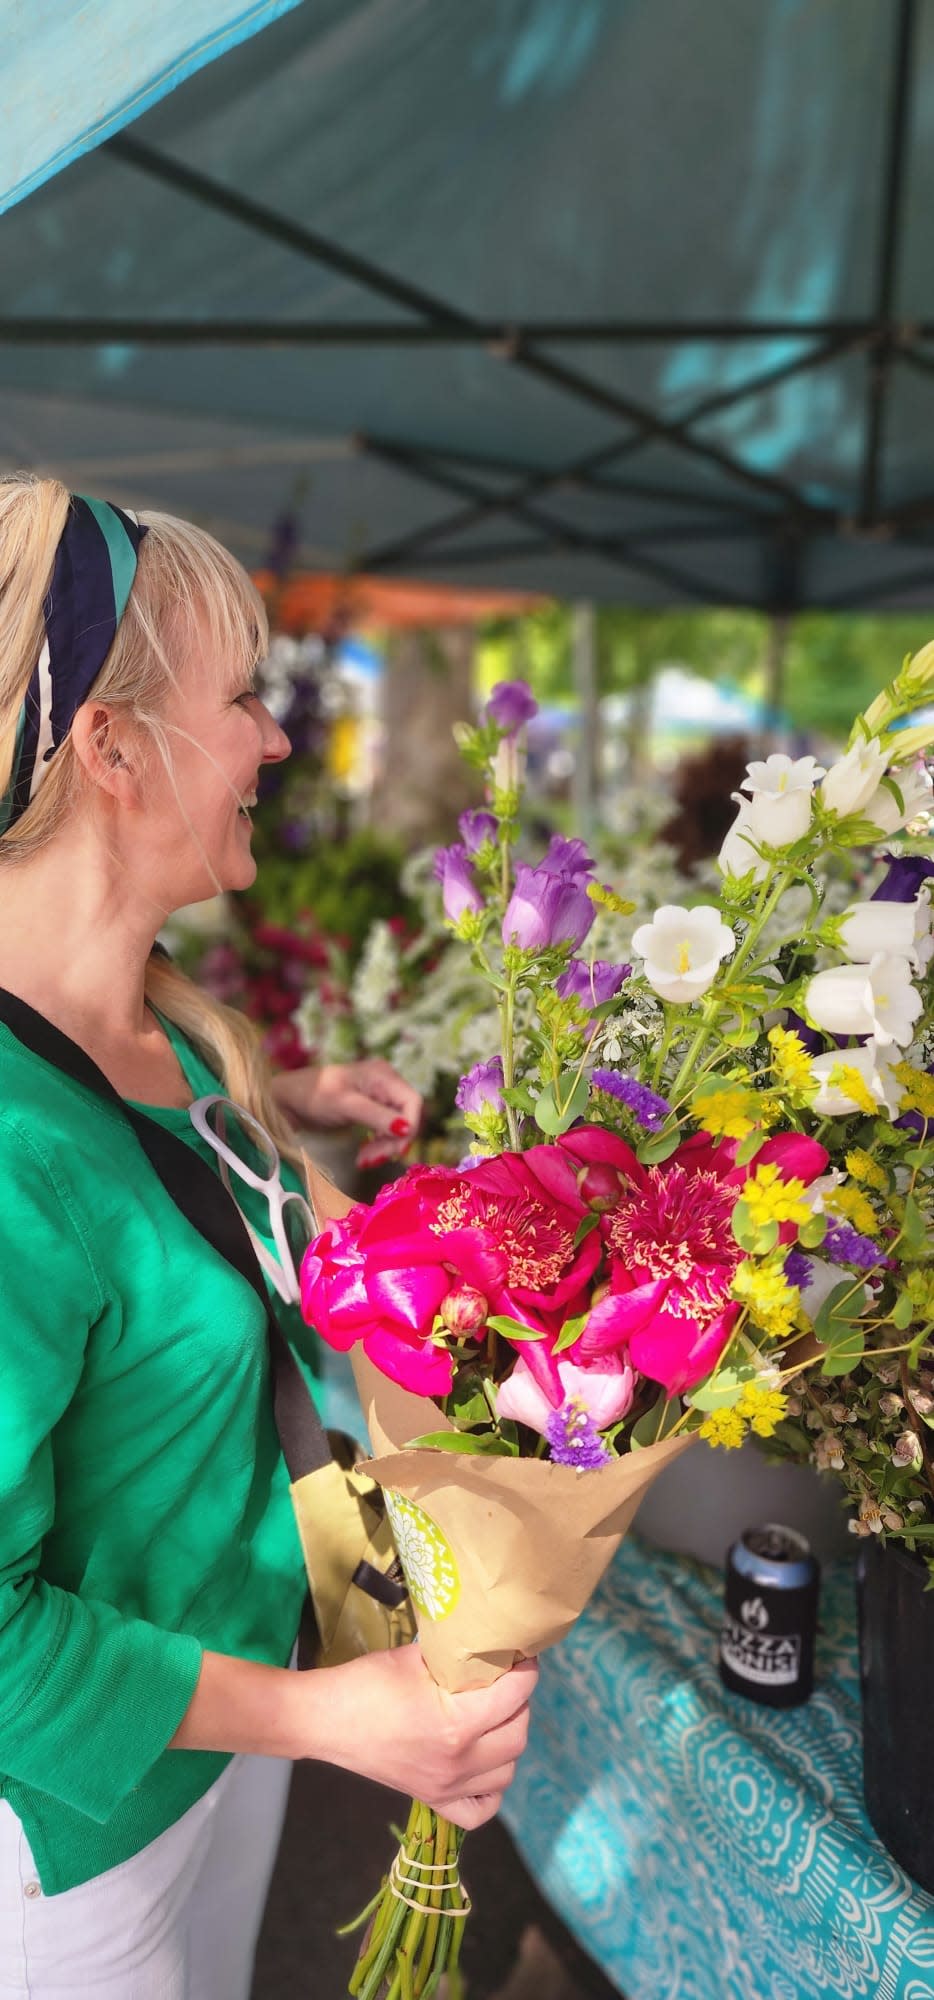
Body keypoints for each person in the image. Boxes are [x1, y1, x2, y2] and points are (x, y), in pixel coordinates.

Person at [0, 477, 537, 1999]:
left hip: (213, 1727)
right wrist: (333, 1721)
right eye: (243, 698)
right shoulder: (13, 1158)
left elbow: (127, 1191)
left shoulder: (147, 1025)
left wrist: (276, 1109)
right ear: (110, 746)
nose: (278, 739)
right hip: (75, 1836)